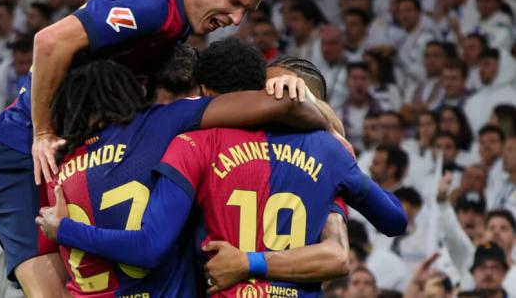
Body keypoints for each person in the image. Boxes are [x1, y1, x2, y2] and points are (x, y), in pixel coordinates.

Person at [0, 0, 274, 294]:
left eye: (247, 10)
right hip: (16, 172)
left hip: (47, 154)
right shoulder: (154, 5)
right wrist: (43, 135)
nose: (238, 19)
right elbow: (48, 42)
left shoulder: (173, 16)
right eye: (233, 1)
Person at [35, 52, 406, 296]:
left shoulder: (193, 145)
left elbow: (153, 243)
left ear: (208, 92)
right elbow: (392, 221)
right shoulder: (330, 152)